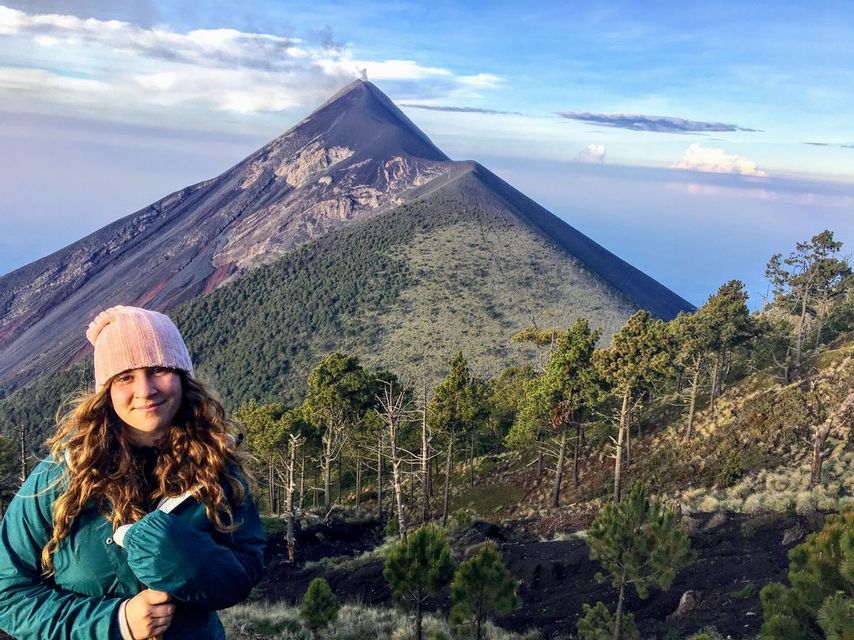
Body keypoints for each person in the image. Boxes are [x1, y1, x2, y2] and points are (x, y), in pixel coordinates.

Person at [0, 305, 265, 639]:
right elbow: (8, 595)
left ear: (182, 376)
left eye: (158, 369)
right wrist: (117, 621)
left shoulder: (216, 467)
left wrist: (179, 557)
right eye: (126, 377)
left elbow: (245, 571)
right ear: (106, 391)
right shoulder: (58, 478)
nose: (145, 390)